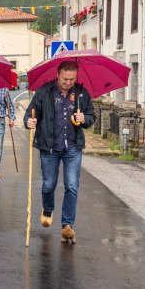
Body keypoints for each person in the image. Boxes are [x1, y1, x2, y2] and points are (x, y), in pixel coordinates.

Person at [24, 60, 96, 244]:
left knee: (72, 186)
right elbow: (31, 112)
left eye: (72, 79)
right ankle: (47, 209)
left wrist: (84, 118)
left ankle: (67, 226)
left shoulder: (81, 93)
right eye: (65, 79)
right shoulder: (44, 91)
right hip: (49, 147)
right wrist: (29, 122)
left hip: (73, 147)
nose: (68, 82)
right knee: (49, 184)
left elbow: (91, 116)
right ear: (58, 74)